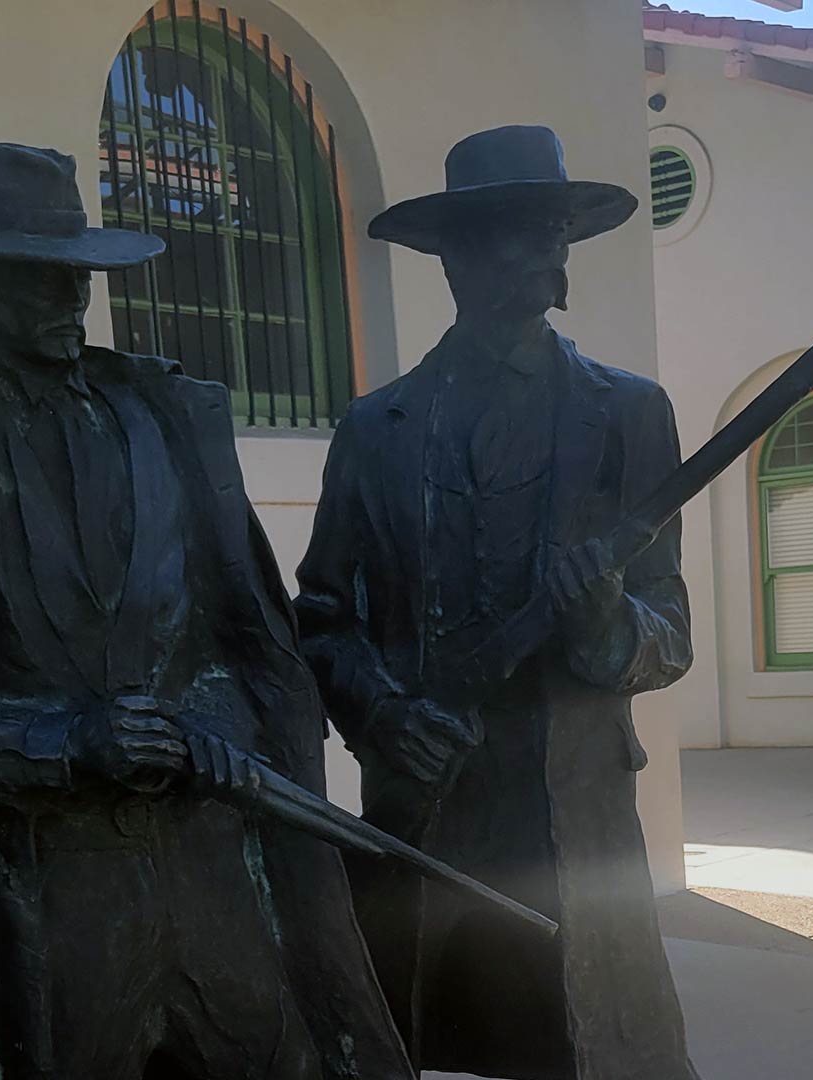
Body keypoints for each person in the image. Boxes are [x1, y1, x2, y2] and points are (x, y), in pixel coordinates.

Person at [0, 137, 412, 1080]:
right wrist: (66, 742)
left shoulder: (162, 414)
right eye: (34, 280)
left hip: (214, 865)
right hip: (49, 894)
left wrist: (209, 722)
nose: (69, 302)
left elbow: (251, 645)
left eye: (76, 276)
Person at [295, 125, 703, 1080]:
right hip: (427, 804)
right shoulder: (375, 430)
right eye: (521, 230)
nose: (548, 252)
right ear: (458, 254)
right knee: (410, 1040)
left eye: (555, 229)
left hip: (574, 812)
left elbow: (669, 631)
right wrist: (386, 716)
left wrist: (608, 624)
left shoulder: (629, 415)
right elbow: (319, 618)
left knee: (591, 1047)